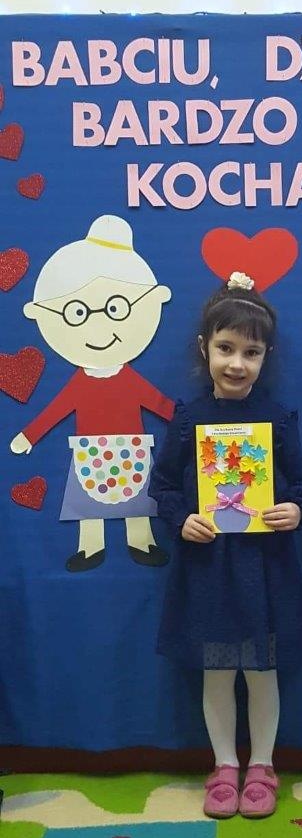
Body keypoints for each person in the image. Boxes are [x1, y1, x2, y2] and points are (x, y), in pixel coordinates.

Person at [149, 271, 302, 819]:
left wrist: (295, 509)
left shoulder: (277, 419)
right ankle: (224, 766)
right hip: (208, 567)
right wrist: (181, 519)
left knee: (262, 671)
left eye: (251, 352)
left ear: (266, 356)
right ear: (205, 348)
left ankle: (262, 765)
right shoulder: (188, 419)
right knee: (217, 671)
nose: (237, 363)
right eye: (226, 348)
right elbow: (162, 485)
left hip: (265, 567)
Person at [9, 214, 174, 572]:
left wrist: (188, 422)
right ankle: (90, 548)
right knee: (87, 503)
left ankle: (142, 542)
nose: (99, 324)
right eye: (78, 313)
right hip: (90, 450)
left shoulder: (129, 378)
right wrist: (29, 435)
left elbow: (159, 404)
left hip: (131, 447)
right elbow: (56, 409)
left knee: (138, 500)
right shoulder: (80, 382)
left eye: (115, 308)